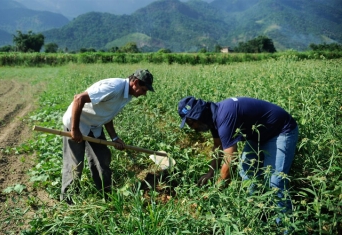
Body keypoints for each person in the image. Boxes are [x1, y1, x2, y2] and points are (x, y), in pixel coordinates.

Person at [178, 96, 299, 215]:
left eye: (190, 122)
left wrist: (216, 190)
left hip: (281, 131)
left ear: (199, 115)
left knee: (275, 182)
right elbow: (218, 146)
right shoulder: (212, 118)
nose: (192, 128)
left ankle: (284, 226)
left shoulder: (224, 116)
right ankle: (256, 213)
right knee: (247, 172)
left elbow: (230, 160)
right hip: (257, 135)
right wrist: (211, 172)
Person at [61, 69, 155, 202]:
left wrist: (115, 137)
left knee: (102, 160)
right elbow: (79, 98)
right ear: (135, 82)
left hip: (94, 127)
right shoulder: (114, 87)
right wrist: (74, 129)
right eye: (144, 89)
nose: (144, 94)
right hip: (77, 123)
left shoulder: (126, 95)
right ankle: (67, 201)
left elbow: (107, 114)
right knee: (75, 165)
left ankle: (106, 196)